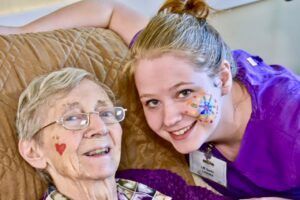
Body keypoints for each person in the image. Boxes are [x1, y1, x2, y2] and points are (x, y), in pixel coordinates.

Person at [3, 0, 299, 198]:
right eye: (152, 102)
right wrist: (17, 32)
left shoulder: (290, 123)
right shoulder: (164, 59)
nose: (169, 119)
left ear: (222, 78)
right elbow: (111, 10)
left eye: (185, 93)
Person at [16, 67, 225, 200]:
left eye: (106, 113)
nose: (100, 128)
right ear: (33, 152)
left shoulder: (154, 182)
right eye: (72, 118)